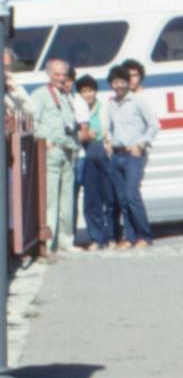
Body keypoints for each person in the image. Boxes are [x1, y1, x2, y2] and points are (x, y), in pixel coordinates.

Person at [26, 58, 81, 255]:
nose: (60, 78)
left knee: (67, 200)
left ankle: (66, 241)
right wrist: (44, 140)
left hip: (68, 151)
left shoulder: (67, 95)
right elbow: (32, 121)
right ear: (48, 74)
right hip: (52, 152)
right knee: (50, 200)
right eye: (56, 74)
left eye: (63, 75)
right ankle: (48, 244)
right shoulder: (40, 95)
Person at [104, 64, 159, 249]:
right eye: (115, 82)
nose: (118, 85)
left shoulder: (137, 101)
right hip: (117, 155)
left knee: (132, 195)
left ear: (127, 83)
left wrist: (141, 144)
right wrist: (109, 141)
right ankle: (130, 237)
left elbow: (154, 125)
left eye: (122, 81)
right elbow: (110, 128)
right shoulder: (111, 103)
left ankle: (145, 236)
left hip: (133, 155)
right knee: (122, 198)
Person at [72, 75, 118, 250]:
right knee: (92, 199)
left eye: (90, 90)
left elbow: (111, 128)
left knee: (109, 196)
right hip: (87, 151)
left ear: (95, 91)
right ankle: (96, 238)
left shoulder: (104, 107)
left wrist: (109, 142)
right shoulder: (77, 109)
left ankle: (111, 237)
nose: (88, 94)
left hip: (103, 150)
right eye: (84, 91)